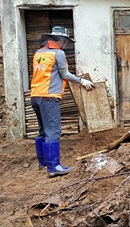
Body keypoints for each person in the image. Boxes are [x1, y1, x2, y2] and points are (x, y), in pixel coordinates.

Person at [31, 26, 94, 177]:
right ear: (59, 40)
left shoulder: (39, 53)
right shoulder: (58, 53)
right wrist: (82, 81)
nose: (66, 44)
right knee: (53, 131)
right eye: (65, 41)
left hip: (35, 96)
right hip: (49, 96)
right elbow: (64, 74)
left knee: (42, 130)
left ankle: (43, 162)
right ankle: (54, 167)